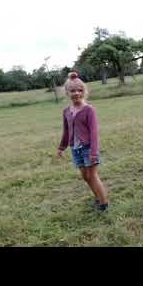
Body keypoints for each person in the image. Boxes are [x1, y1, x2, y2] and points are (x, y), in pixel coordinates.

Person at [57, 72, 109, 212]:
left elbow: (94, 132)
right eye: (73, 90)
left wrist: (93, 152)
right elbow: (66, 131)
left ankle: (103, 203)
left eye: (80, 90)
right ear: (67, 93)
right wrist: (61, 147)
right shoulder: (66, 111)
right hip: (76, 148)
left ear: (84, 91)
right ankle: (97, 197)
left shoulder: (89, 110)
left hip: (88, 148)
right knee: (85, 176)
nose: (77, 93)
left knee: (92, 175)